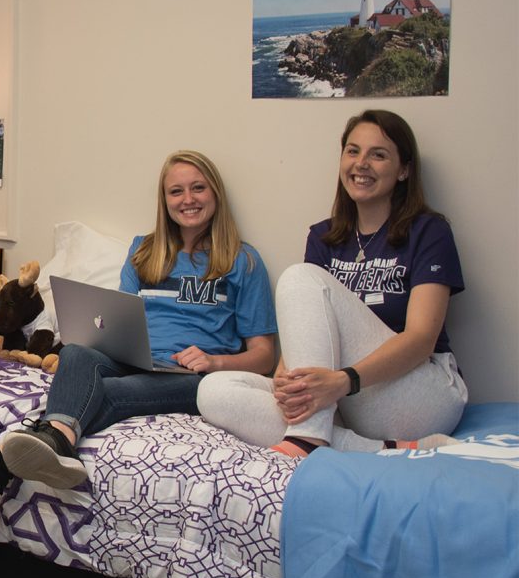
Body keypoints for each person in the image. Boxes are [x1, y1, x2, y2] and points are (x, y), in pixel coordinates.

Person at [0, 150, 278, 503]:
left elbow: (264, 356)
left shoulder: (242, 261)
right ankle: (51, 443)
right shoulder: (143, 252)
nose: (188, 199)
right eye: (176, 190)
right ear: (164, 199)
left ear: (215, 192)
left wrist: (215, 363)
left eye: (198, 187)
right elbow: (120, 320)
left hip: (191, 375)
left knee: (109, 392)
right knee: (74, 353)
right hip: (138, 359)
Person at [197, 110, 467, 456]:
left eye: (378, 154)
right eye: (353, 151)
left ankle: (307, 437)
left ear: (404, 170)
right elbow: (308, 323)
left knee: (298, 277)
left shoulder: (429, 231)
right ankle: (378, 448)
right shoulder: (324, 237)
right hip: (342, 402)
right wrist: (286, 376)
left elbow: (420, 340)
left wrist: (344, 381)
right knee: (213, 391)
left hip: (416, 393)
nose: (361, 163)